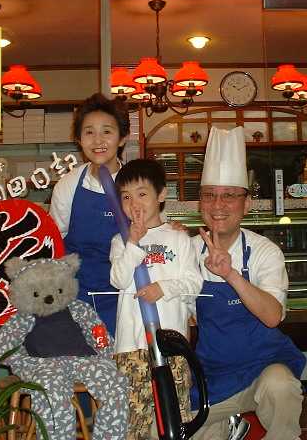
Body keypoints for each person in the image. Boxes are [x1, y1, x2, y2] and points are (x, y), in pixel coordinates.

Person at [190, 126, 307, 440]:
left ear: (247, 204)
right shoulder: (188, 250)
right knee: (172, 429)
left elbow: (273, 316)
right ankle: (229, 426)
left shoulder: (264, 251)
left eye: (229, 195)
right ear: (200, 203)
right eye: (209, 195)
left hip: (264, 367)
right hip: (213, 374)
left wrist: (230, 274)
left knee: (281, 386)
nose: (218, 204)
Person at [109, 159, 203, 439]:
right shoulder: (120, 241)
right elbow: (118, 279)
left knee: (176, 419)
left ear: (161, 195)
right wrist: (133, 243)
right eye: (126, 197)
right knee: (132, 424)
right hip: (131, 347)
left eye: (142, 194)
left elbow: (194, 283)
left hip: (172, 346)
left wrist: (163, 287)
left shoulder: (179, 238)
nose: (134, 203)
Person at [49, 93, 130, 338]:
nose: (98, 140)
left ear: (122, 138)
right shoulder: (68, 184)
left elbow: (154, 235)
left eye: (107, 131)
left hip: (126, 298)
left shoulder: (136, 183)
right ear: (79, 139)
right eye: (89, 132)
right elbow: (53, 242)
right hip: (77, 296)